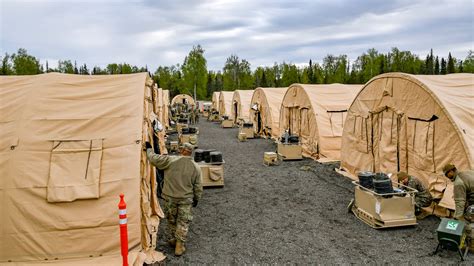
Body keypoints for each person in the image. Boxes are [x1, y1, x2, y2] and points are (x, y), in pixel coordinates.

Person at [145, 142, 202, 256]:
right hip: (186, 199)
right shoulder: (196, 167)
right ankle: (179, 245)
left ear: (182, 150)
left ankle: (173, 240)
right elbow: (198, 187)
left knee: (171, 220)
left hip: (169, 198)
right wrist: (196, 199)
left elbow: (153, 158)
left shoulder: (170, 160)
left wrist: (149, 149)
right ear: (190, 152)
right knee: (183, 222)